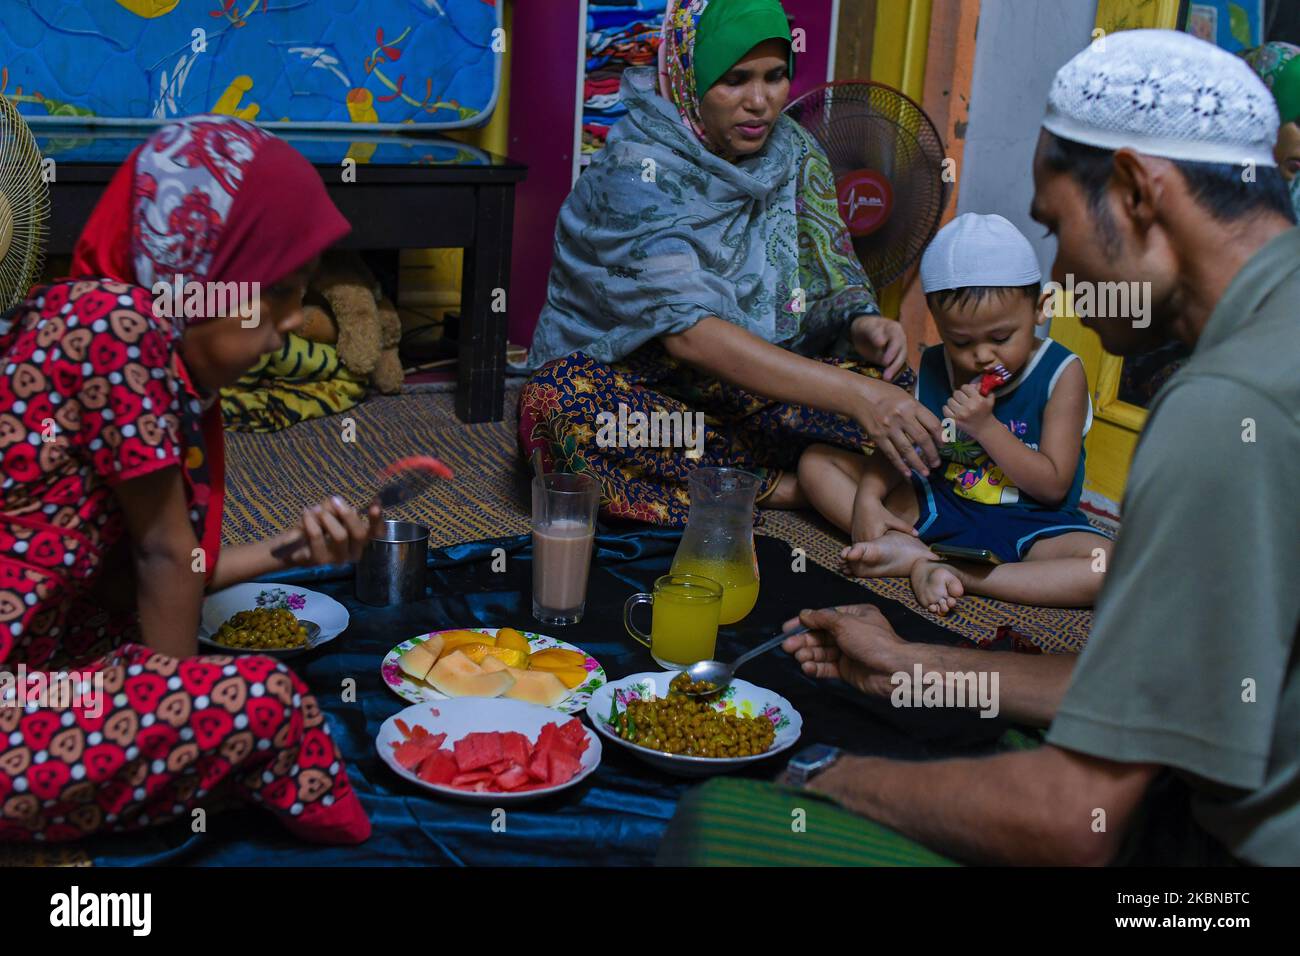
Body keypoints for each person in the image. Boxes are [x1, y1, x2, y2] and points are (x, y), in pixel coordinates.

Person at [661, 29, 1299, 866]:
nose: (1061, 266)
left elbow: (1077, 822)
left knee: (717, 832)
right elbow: (1174, 690)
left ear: (1141, 191)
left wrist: (827, 776)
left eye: (1057, 226)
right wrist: (915, 667)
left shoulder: (1225, 407)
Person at [0, 116, 377, 844]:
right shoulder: (118, 330)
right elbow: (165, 557)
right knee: (268, 700)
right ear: (201, 274)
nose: (294, 322)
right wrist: (176, 710)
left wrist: (295, 548)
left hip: (35, 654)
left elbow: (140, 568)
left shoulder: (94, 320)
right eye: (278, 293)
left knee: (125, 626)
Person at [518, 0, 945, 527]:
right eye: (735, 80)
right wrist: (859, 396)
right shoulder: (637, 174)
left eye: (775, 77)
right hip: (651, 394)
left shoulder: (794, 152)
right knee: (556, 410)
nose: (761, 102)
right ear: (687, 79)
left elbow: (827, 270)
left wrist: (862, 324)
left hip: (752, 391)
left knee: (917, 400)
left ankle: (757, 472)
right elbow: (689, 336)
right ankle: (789, 486)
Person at [800, 214, 1112, 614]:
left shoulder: (1061, 373)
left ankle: (950, 571)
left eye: (1001, 338)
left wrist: (985, 427)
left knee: (1111, 569)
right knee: (815, 464)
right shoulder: (934, 365)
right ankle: (916, 555)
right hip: (942, 505)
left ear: (1041, 309)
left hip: (1034, 524)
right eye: (960, 341)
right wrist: (868, 497)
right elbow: (905, 448)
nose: (982, 356)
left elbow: (1052, 487)